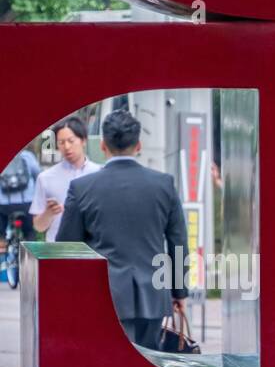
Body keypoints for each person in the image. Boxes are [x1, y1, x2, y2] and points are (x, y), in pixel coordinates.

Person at [56, 109, 187, 351]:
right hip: (153, 295)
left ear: (103, 145)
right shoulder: (163, 184)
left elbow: (67, 247)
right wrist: (179, 291)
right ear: (138, 145)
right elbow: (178, 242)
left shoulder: (82, 188)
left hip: (102, 296)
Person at [30, 117, 101, 243]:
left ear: (83, 140)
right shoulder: (46, 178)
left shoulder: (99, 174)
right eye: (61, 142)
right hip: (57, 250)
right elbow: (39, 227)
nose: (67, 147)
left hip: (92, 248)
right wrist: (49, 213)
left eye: (71, 141)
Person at [0, 146, 40, 242]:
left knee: (1, 235)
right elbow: (38, 175)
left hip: (3, 205)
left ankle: (2, 246)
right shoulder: (27, 156)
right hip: (27, 204)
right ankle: (31, 253)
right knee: (30, 232)